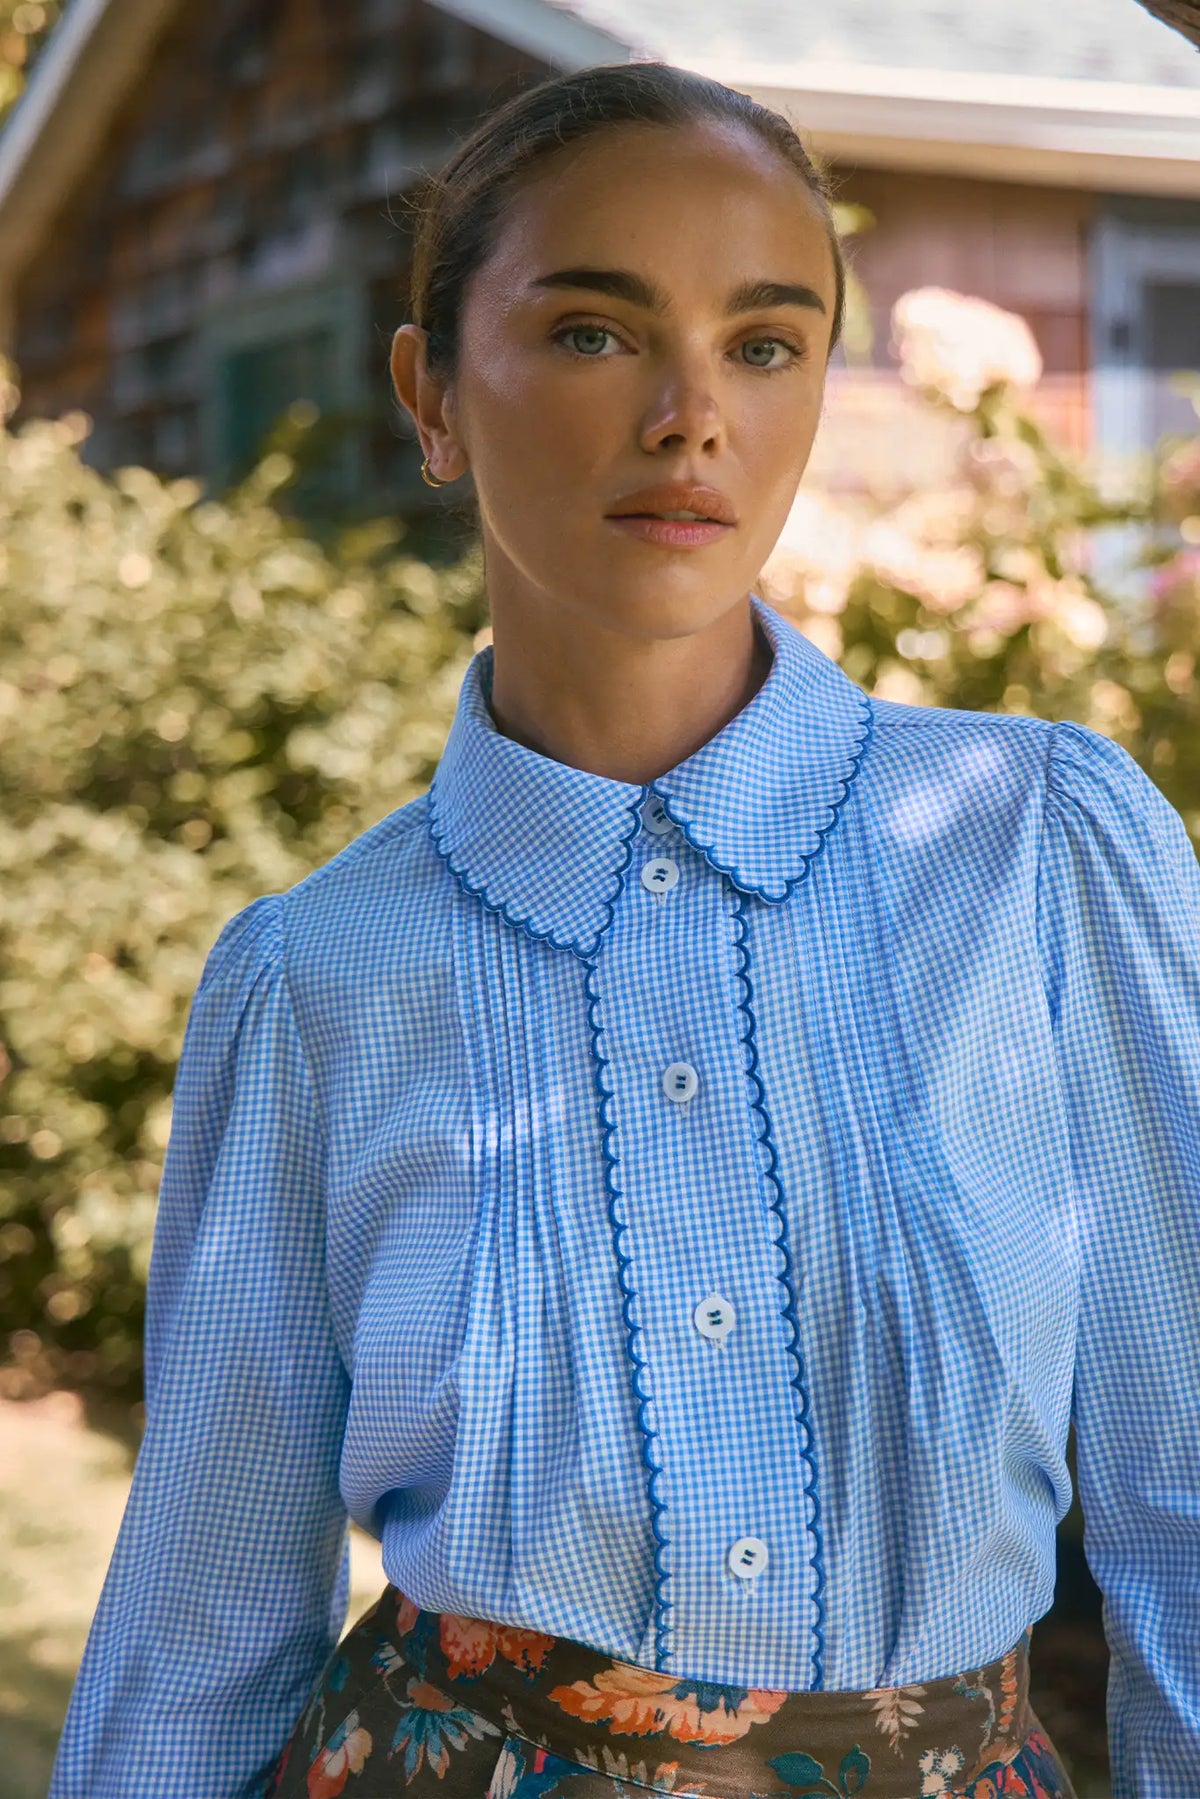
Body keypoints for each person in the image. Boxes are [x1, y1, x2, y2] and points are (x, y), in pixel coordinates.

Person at [49, 59, 1199, 1799]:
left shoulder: (1042, 851)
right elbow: (198, 1642)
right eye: (596, 332)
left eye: (764, 341)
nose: (691, 417)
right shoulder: (310, 983)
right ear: (430, 395)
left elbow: (1189, 1490)